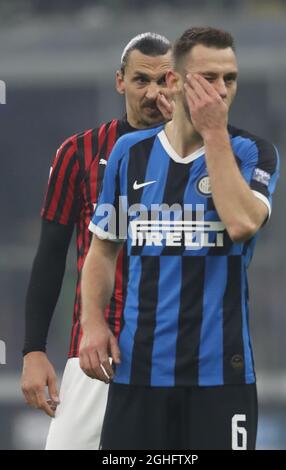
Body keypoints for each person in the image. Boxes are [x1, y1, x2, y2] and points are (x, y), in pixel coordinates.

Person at [81, 26, 280, 450]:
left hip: (222, 376)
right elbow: (102, 248)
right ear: (174, 81)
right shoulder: (129, 153)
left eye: (230, 78)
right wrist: (93, 324)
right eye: (209, 78)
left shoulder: (252, 152)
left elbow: (243, 224)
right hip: (140, 374)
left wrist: (213, 134)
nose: (222, 90)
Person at [21, 32, 173, 450]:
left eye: (164, 81)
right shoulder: (79, 153)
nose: (153, 93)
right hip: (95, 355)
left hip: (181, 354)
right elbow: (50, 256)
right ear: (120, 80)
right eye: (142, 80)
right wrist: (33, 350)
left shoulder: (203, 158)